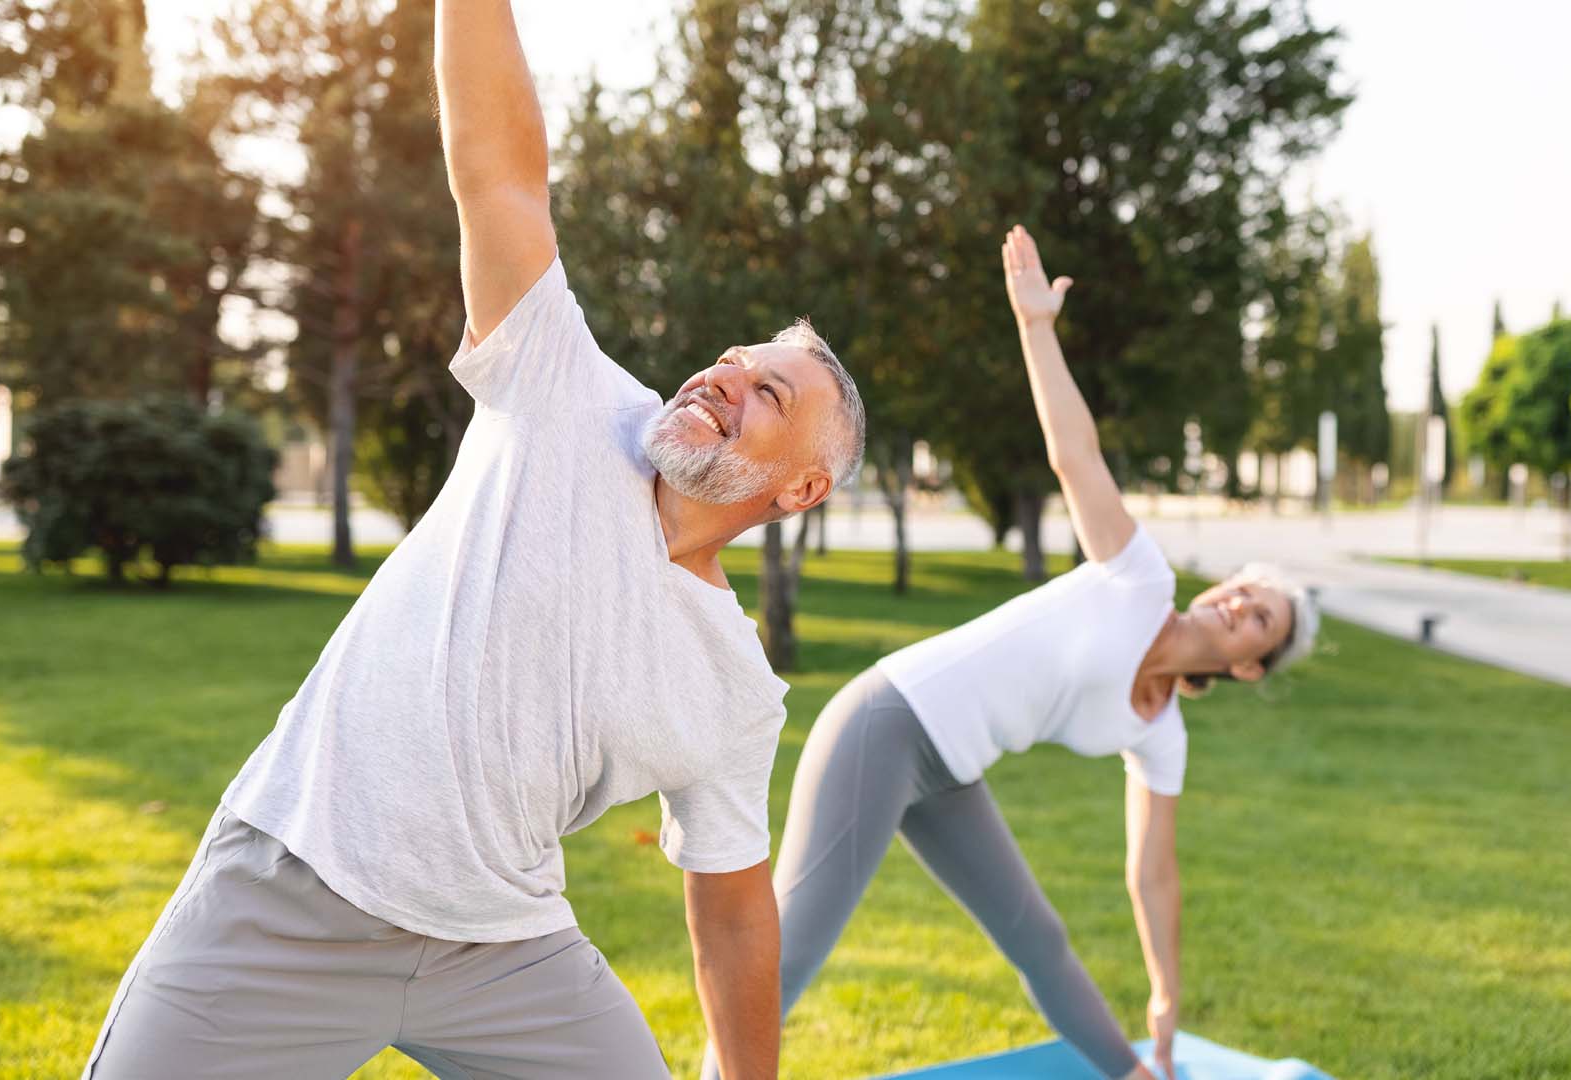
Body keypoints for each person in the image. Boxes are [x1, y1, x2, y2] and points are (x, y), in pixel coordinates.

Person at [81, 2, 866, 1078]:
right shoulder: (563, 386)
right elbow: (499, 171)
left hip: (501, 951)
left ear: (802, 488)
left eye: (767, 389)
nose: (726, 374)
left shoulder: (734, 689)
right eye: (731, 358)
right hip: (293, 891)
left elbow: (732, 910)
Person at [706, 226, 1317, 1080]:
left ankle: (1136, 1076)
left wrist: (1167, 991)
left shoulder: (1162, 732)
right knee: (794, 947)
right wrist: (1036, 326)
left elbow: (1155, 875)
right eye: (1248, 591)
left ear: (1250, 666)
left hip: (951, 765)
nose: (1244, 603)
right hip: (888, 722)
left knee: (1040, 940)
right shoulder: (1140, 577)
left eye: (1263, 621)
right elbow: (1076, 456)